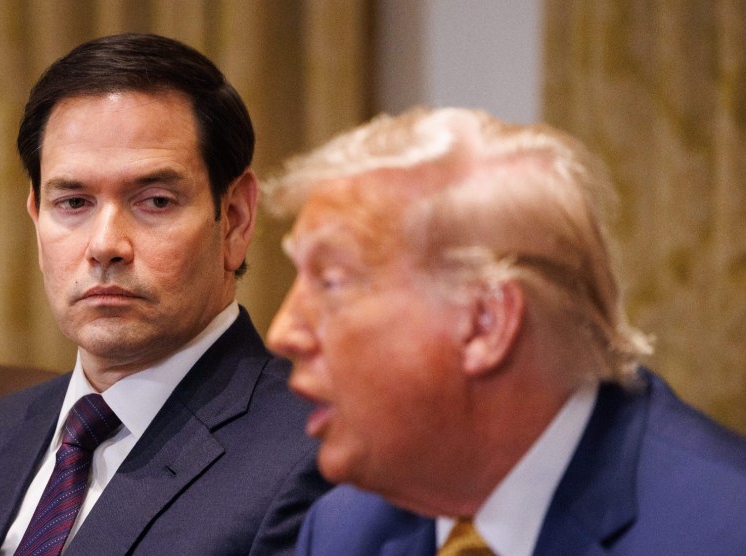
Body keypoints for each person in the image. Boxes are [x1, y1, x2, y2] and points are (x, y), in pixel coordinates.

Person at [0, 33, 328, 556]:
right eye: (73, 202)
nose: (105, 246)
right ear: (36, 217)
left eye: (156, 201)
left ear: (234, 218)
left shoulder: (317, 457)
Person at [263, 106, 746, 555]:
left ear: (484, 323)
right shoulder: (339, 531)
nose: (282, 333)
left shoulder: (720, 529)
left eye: (330, 281)